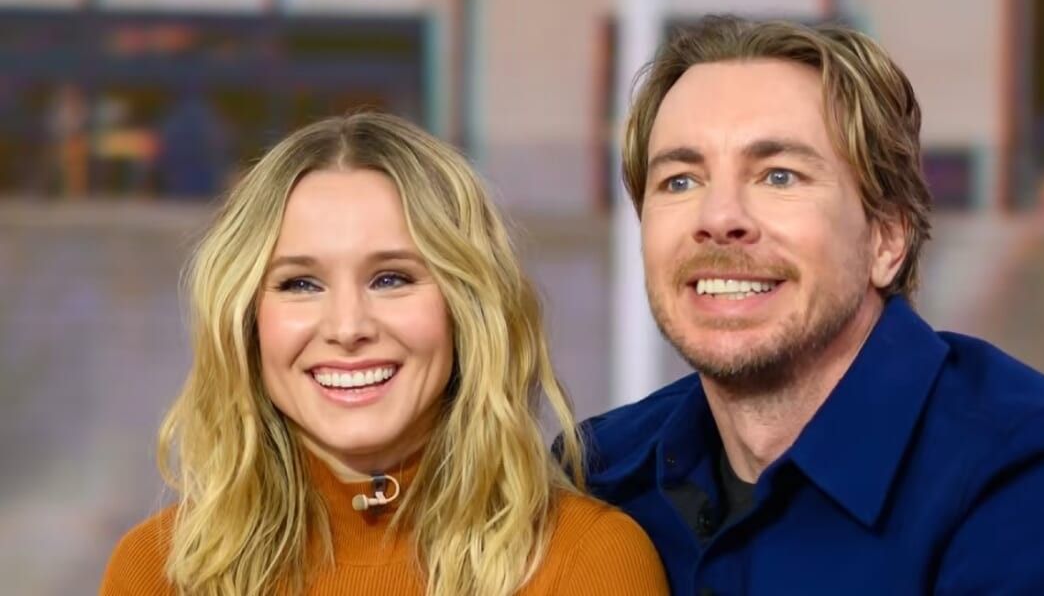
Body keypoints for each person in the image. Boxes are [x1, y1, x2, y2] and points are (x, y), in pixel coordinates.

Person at [581, 15, 1044, 595]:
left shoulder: (1036, 481)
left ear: (887, 239)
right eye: (680, 181)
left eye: (778, 176)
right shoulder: (597, 479)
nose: (719, 218)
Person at [101, 112, 668, 595]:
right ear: (248, 321)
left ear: (466, 307)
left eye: (392, 278)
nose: (348, 327)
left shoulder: (587, 560)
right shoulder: (159, 571)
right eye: (301, 283)